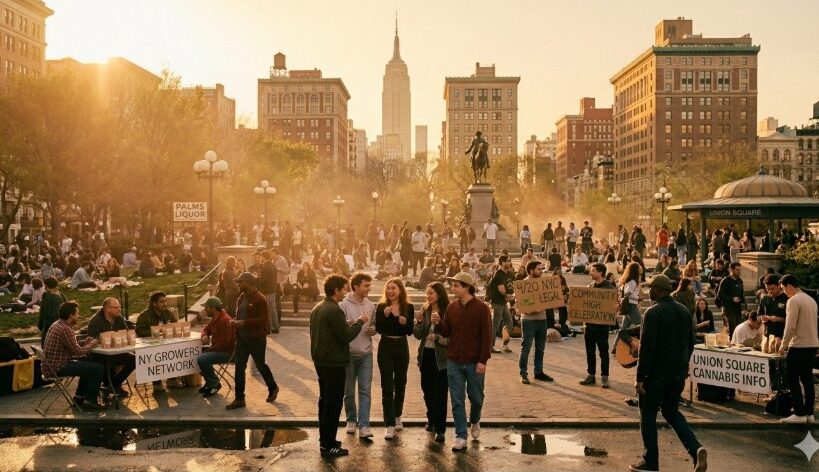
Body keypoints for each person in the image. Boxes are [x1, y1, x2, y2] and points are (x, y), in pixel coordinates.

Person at [631, 274, 707, 472]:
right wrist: (683, 365)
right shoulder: (683, 311)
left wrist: (640, 378)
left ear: (658, 290)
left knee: (647, 414)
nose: (648, 292)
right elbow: (691, 343)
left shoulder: (653, 313)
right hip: (678, 373)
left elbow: (646, 348)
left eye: (651, 289)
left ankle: (651, 462)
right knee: (671, 411)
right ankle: (695, 448)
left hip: (656, 375)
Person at [310, 274, 369, 457]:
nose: (345, 293)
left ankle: (326, 440)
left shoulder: (319, 307)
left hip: (321, 361)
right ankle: (328, 445)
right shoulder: (334, 310)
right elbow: (346, 336)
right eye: (344, 289)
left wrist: (346, 324)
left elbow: (331, 331)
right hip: (333, 363)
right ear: (336, 290)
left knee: (324, 402)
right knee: (333, 404)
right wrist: (360, 321)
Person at [432, 271, 491, 451]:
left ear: (467, 287)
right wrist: (438, 323)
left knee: (476, 398)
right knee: (457, 399)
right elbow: (447, 332)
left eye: (456, 285)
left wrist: (483, 360)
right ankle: (460, 436)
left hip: (474, 361)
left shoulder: (482, 308)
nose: (453, 288)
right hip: (454, 361)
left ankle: (475, 420)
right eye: (453, 285)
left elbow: (487, 336)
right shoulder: (452, 307)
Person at [226, 272, 280, 410]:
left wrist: (244, 323)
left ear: (249, 283)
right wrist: (235, 322)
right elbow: (240, 316)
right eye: (237, 282)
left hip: (256, 339)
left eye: (240, 282)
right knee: (239, 368)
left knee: (260, 365)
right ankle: (239, 399)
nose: (238, 284)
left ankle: (273, 387)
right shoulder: (241, 298)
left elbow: (264, 320)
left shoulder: (260, 299)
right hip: (242, 340)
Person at [41, 301, 106, 411]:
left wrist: (85, 342)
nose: (78, 316)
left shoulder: (58, 324)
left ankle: (79, 397)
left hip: (51, 365)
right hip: (58, 367)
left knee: (89, 364)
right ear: (71, 315)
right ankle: (90, 400)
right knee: (97, 368)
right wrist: (92, 343)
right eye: (77, 313)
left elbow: (71, 345)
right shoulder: (65, 329)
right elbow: (78, 352)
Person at [375, 277, 414, 439]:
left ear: (400, 290)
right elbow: (379, 329)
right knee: (387, 386)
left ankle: (397, 415)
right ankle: (389, 424)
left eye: (393, 288)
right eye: (388, 288)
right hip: (386, 346)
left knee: (400, 383)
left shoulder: (408, 307)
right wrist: (384, 316)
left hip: (401, 347)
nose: (390, 291)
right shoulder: (382, 307)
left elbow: (410, 331)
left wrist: (405, 323)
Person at [339, 273, 377, 439]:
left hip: (366, 353)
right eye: (366, 286)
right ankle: (351, 420)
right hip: (348, 354)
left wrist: (374, 329)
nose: (369, 289)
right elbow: (341, 330)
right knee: (348, 391)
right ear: (355, 286)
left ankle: (364, 425)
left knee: (365, 390)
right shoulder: (343, 305)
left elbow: (374, 324)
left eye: (369, 285)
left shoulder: (371, 305)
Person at [778, 274, 819, 424]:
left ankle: (799, 413)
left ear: (789, 286)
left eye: (783, 288)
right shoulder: (811, 300)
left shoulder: (793, 301)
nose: (784, 292)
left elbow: (790, 326)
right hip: (812, 344)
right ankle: (809, 413)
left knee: (792, 378)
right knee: (807, 379)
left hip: (798, 344)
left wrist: (783, 344)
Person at [413, 281, 450, 443]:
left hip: (441, 357)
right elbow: (417, 335)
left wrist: (437, 336)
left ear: (439, 295)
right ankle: (431, 419)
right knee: (427, 390)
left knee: (440, 393)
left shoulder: (448, 311)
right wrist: (420, 322)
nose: (428, 296)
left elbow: (451, 338)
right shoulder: (425, 310)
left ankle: (440, 429)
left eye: (431, 293)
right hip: (426, 356)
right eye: (427, 293)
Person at [86, 297, 136, 397]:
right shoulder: (95, 320)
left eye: (119, 307)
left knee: (134, 359)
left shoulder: (119, 318)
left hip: (117, 352)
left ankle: (113, 385)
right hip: (101, 355)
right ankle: (112, 386)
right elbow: (92, 340)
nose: (119, 309)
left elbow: (125, 334)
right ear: (108, 309)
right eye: (116, 307)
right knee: (109, 363)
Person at [518, 261, 554, 384]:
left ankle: (538, 372)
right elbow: (521, 305)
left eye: (541, 269)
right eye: (538, 269)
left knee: (540, 348)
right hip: (529, 321)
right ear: (531, 270)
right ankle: (523, 374)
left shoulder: (543, 283)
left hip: (542, 320)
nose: (541, 271)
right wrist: (533, 310)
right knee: (526, 348)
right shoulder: (523, 285)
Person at [579, 263, 615, 388]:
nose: (590, 272)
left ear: (600, 273)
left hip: (602, 327)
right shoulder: (589, 287)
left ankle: (604, 377)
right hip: (589, 326)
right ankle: (591, 375)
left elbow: (614, 307)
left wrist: (616, 306)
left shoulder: (610, 289)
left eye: (593, 270)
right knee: (590, 352)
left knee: (603, 352)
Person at [197, 297, 235, 397]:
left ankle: (214, 384)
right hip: (218, 349)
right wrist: (204, 335)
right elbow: (205, 329)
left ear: (213, 307)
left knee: (202, 358)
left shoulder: (224, 320)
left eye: (206, 307)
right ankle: (209, 382)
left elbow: (224, 344)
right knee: (194, 353)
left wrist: (209, 350)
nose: (205, 310)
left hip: (228, 353)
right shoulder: (216, 317)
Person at [488, 255, 514, 353]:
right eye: (508, 261)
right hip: (497, 303)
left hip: (502, 303)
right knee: (495, 325)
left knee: (509, 323)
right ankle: (491, 346)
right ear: (502, 263)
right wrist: (508, 296)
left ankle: (504, 345)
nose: (510, 262)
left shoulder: (505, 273)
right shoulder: (499, 274)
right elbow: (501, 290)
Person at [759, 274, 788, 354]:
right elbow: (760, 314)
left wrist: (778, 319)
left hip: (780, 336)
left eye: (772, 289)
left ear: (779, 285)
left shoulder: (786, 298)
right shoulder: (764, 298)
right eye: (767, 289)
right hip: (767, 335)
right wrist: (762, 318)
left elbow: (792, 320)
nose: (770, 291)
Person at [616, 262, 643, 351]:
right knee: (642, 325)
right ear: (635, 270)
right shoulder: (633, 281)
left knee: (624, 327)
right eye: (639, 267)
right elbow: (628, 294)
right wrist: (638, 298)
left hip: (629, 305)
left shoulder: (628, 280)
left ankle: (615, 347)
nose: (640, 269)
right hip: (631, 306)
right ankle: (637, 344)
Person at [716, 262, 745, 338]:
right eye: (737, 269)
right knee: (732, 327)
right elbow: (719, 295)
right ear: (731, 270)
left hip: (738, 308)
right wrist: (732, 298)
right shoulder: (725, 280)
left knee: (739, 327)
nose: (739, 271)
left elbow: (742, 295)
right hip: (728, 308)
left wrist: (744, 306)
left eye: (740, 270)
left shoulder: (740, 281)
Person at [37, 277, 66, 345]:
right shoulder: (62, 296)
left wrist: (40, 326)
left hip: (49, 326)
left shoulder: (47, 297)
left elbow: (44, 313)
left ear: (46, 285)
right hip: (63, 326)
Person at [259, 250, 280, 333]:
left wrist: (258, 278)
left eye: (261, 257)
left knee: (267, 310)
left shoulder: (264, 267)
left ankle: (268, 328)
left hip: (267, 290)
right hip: (273, 289)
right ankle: (275, 327)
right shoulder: (273, 265)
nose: (261, 259)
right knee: (273, 309)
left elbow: (263, 280)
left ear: (264, 257)